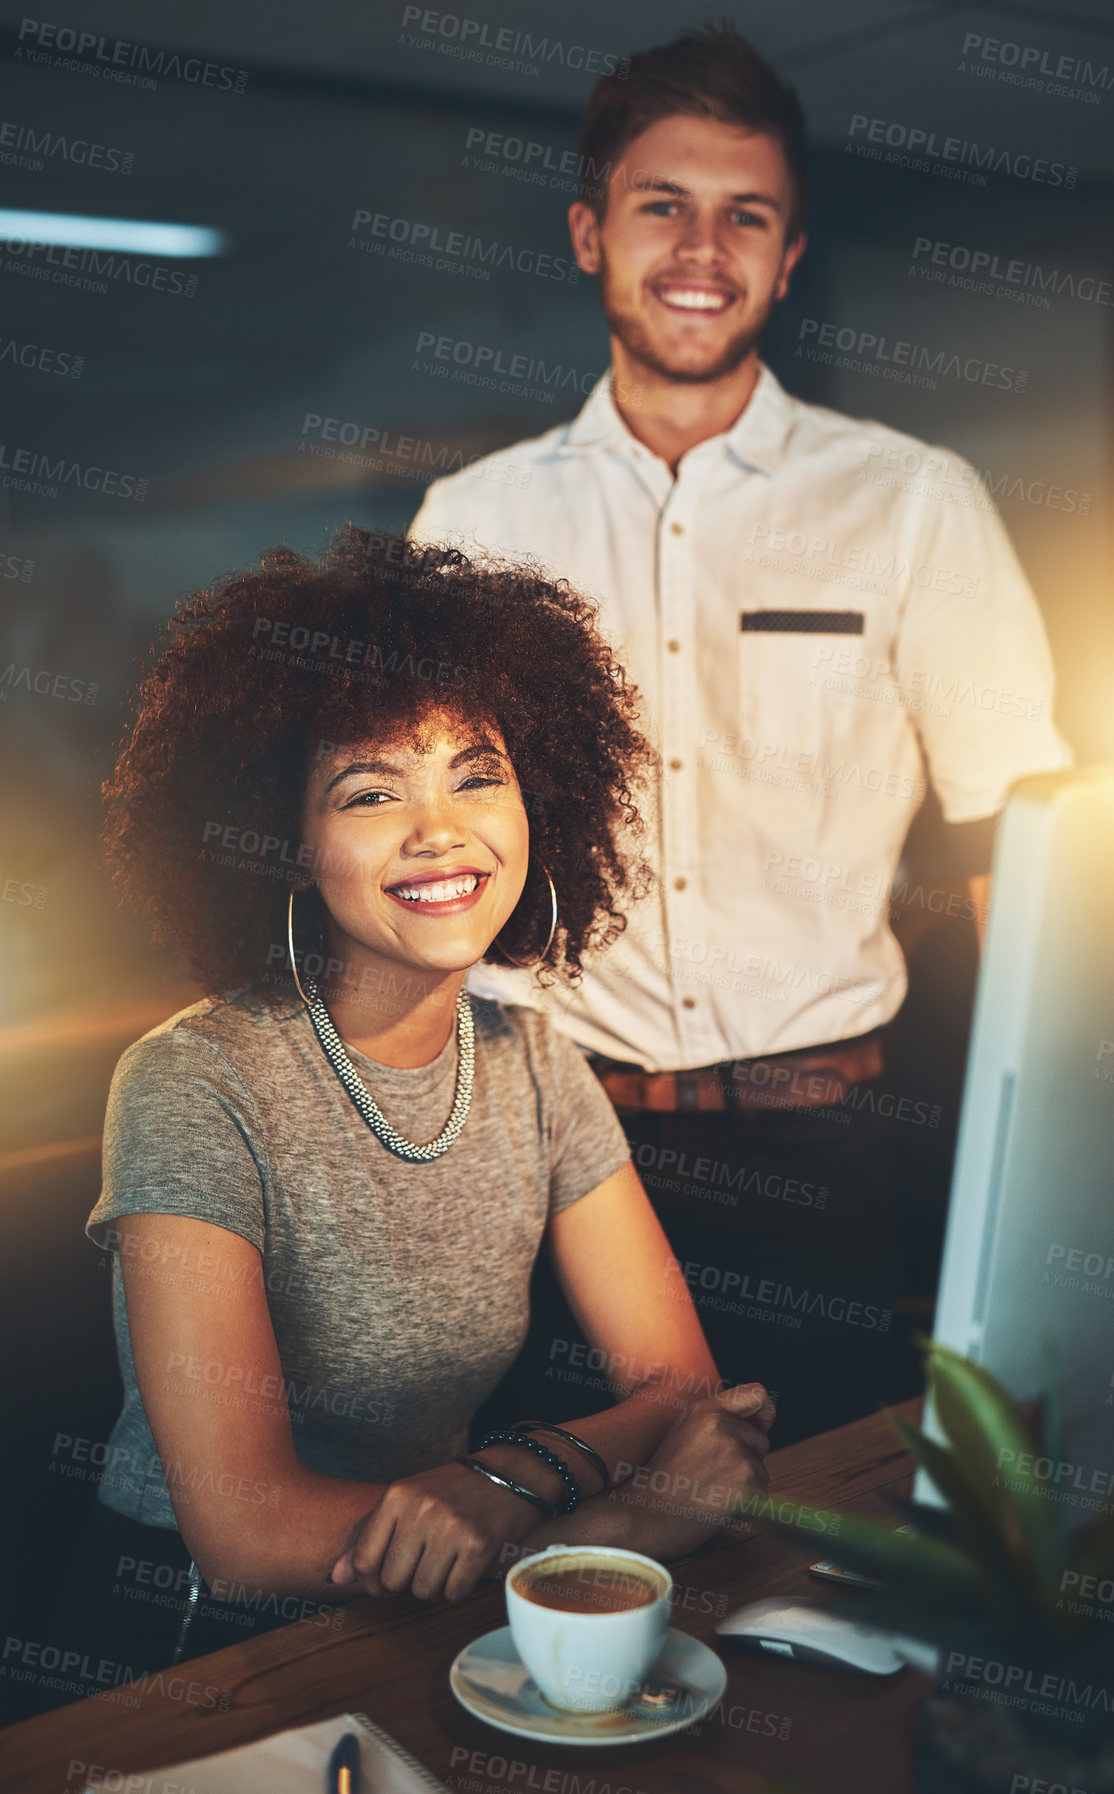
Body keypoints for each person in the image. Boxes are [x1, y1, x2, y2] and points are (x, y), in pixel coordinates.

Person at [409, 24, 1072, 1442]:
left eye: (743, 214)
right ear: (590, 232)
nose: (701, 246)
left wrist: (1063, 1129)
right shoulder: (473, 521)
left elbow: (1023, 840)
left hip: (824, 1146)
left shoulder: (910, 501)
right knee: (559, 1557)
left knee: (819, 1563)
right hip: (540, 1138)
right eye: (662, 205)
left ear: (787, 251)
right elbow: (415, 845)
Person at [53, 528, 774, 1690]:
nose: (440, 830)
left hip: (438, 1604)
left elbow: (683, 1389)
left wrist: (499, 1481)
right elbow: (247, 1533)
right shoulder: (196, 1081)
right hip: (195, 1656)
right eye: (371, 789)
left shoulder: (534, 1058)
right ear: (287, 842)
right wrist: (623, 1531)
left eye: (475, 773)